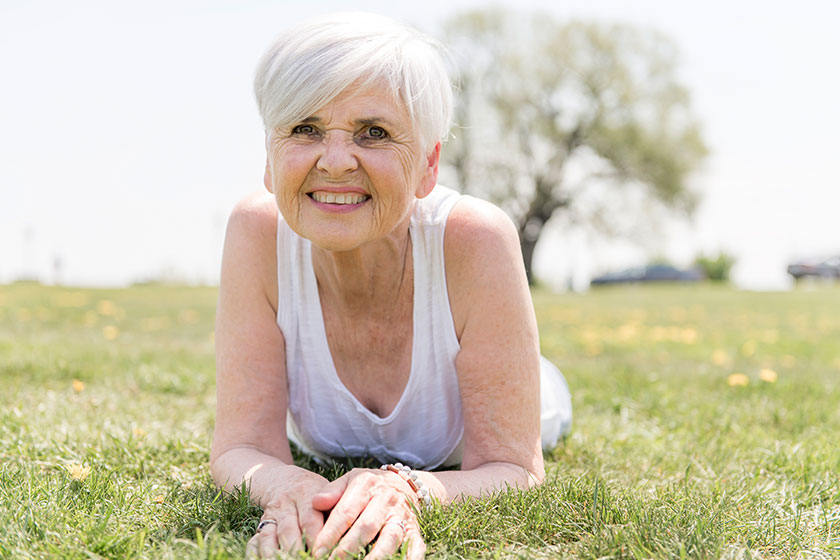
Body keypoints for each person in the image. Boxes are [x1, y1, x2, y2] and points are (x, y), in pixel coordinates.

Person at [209, 12, 572, 560]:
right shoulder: (257, 231)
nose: (334, 161)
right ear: (268, 156)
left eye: (372, 133)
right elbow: (241, 446)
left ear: (428, 165)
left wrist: (406, 487)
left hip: (540, 396)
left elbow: (514, 469)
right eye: (304, 129)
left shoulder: (476, 238)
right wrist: (288, 485)